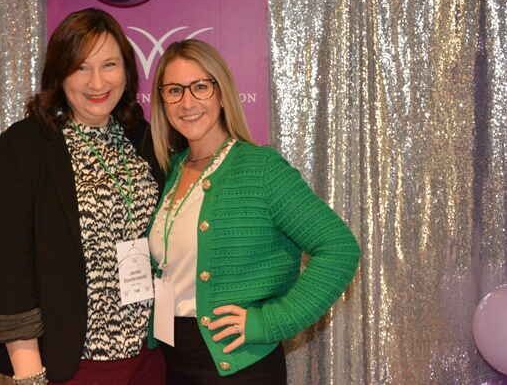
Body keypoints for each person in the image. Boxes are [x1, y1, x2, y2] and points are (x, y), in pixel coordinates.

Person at [147, 39, 360, 384]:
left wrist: (270, 321)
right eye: (174, 90)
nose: (187, 102)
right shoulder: (171, 170)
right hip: (174, 362)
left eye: (200, 87)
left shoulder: (261, 169)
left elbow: (339, 248)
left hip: (240, 368)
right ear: (162, 100)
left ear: (221, 92)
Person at [0, 8, 166, 385]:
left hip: (152, 358)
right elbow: (8, 269)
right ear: (60, 74)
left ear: (127, 71)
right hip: (69, 365)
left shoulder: (144, 139)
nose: (97, 81)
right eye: (81, 67)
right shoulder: (24, 146)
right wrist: (30, 374)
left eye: (109, 64)